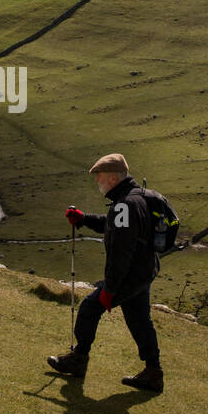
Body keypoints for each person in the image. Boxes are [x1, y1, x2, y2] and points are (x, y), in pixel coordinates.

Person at [48, 153, 163, 393]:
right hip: (144, 272)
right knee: (140, 320)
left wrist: (109, 290)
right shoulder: (134, 198)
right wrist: (84, 219)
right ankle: (153, 373)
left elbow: (121, 252)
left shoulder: (124, 204)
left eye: (99, 177)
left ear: (112, 178)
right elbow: (112, 225)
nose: (97, 182)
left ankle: (78, 359)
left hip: (129, 276)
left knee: (90, 307)